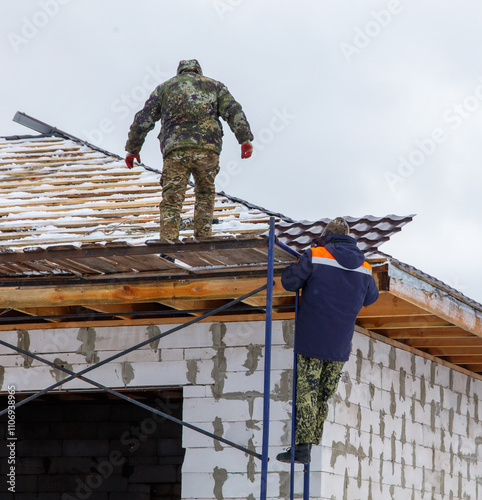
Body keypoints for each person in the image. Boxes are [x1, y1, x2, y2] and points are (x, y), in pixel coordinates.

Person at [277, 217, 379, 464]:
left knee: (306, 393)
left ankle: (301, 449)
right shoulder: (364, 266)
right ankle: (308, 446)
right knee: (323, 396)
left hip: (312, 339)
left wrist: (300, 263)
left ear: (326, 235)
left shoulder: (316, 254)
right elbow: (370, 299)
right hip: (340, 345)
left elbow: (289, 282)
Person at [124, 59, 254, 240]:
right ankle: (203, 238)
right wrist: (244, 139)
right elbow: (234, 111)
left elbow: (143, 119)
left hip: (176, 150)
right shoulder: (215, 87)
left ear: (179, 72)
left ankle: (168, 241)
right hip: (207, 149)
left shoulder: (165, 89)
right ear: (198, 71)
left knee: (172, 199)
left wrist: (133, 149)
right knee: (205, 193)